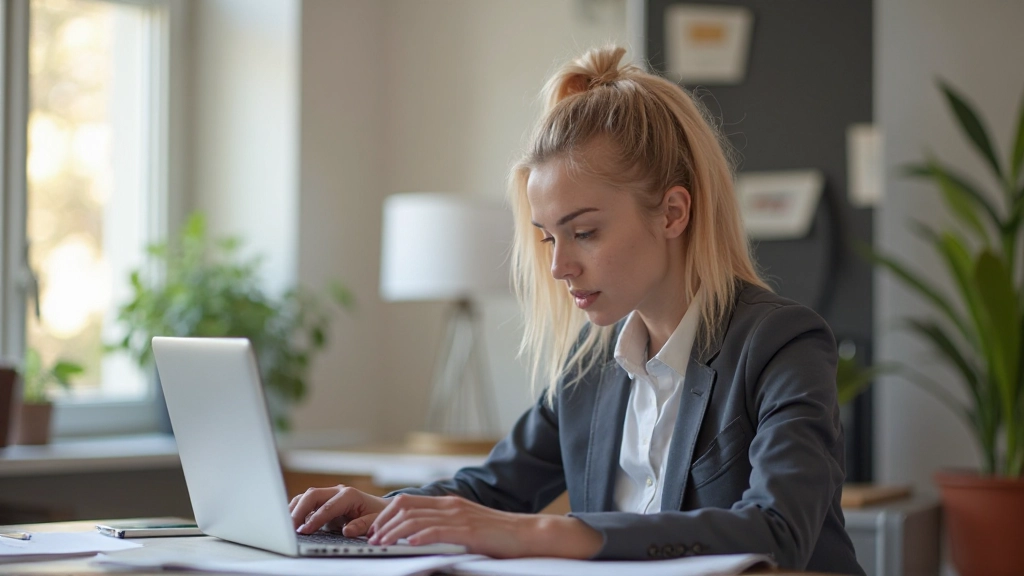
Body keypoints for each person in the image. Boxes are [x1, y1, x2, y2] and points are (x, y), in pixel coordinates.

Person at [289, 45, 864, 575]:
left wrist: (544, 533)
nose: (560, 265)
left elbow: (778, 532)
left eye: (584, 232)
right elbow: (493, 490)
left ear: (671, 213)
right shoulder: (590, 366)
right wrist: (380, 509)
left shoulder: (782, 343)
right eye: (547, 238)